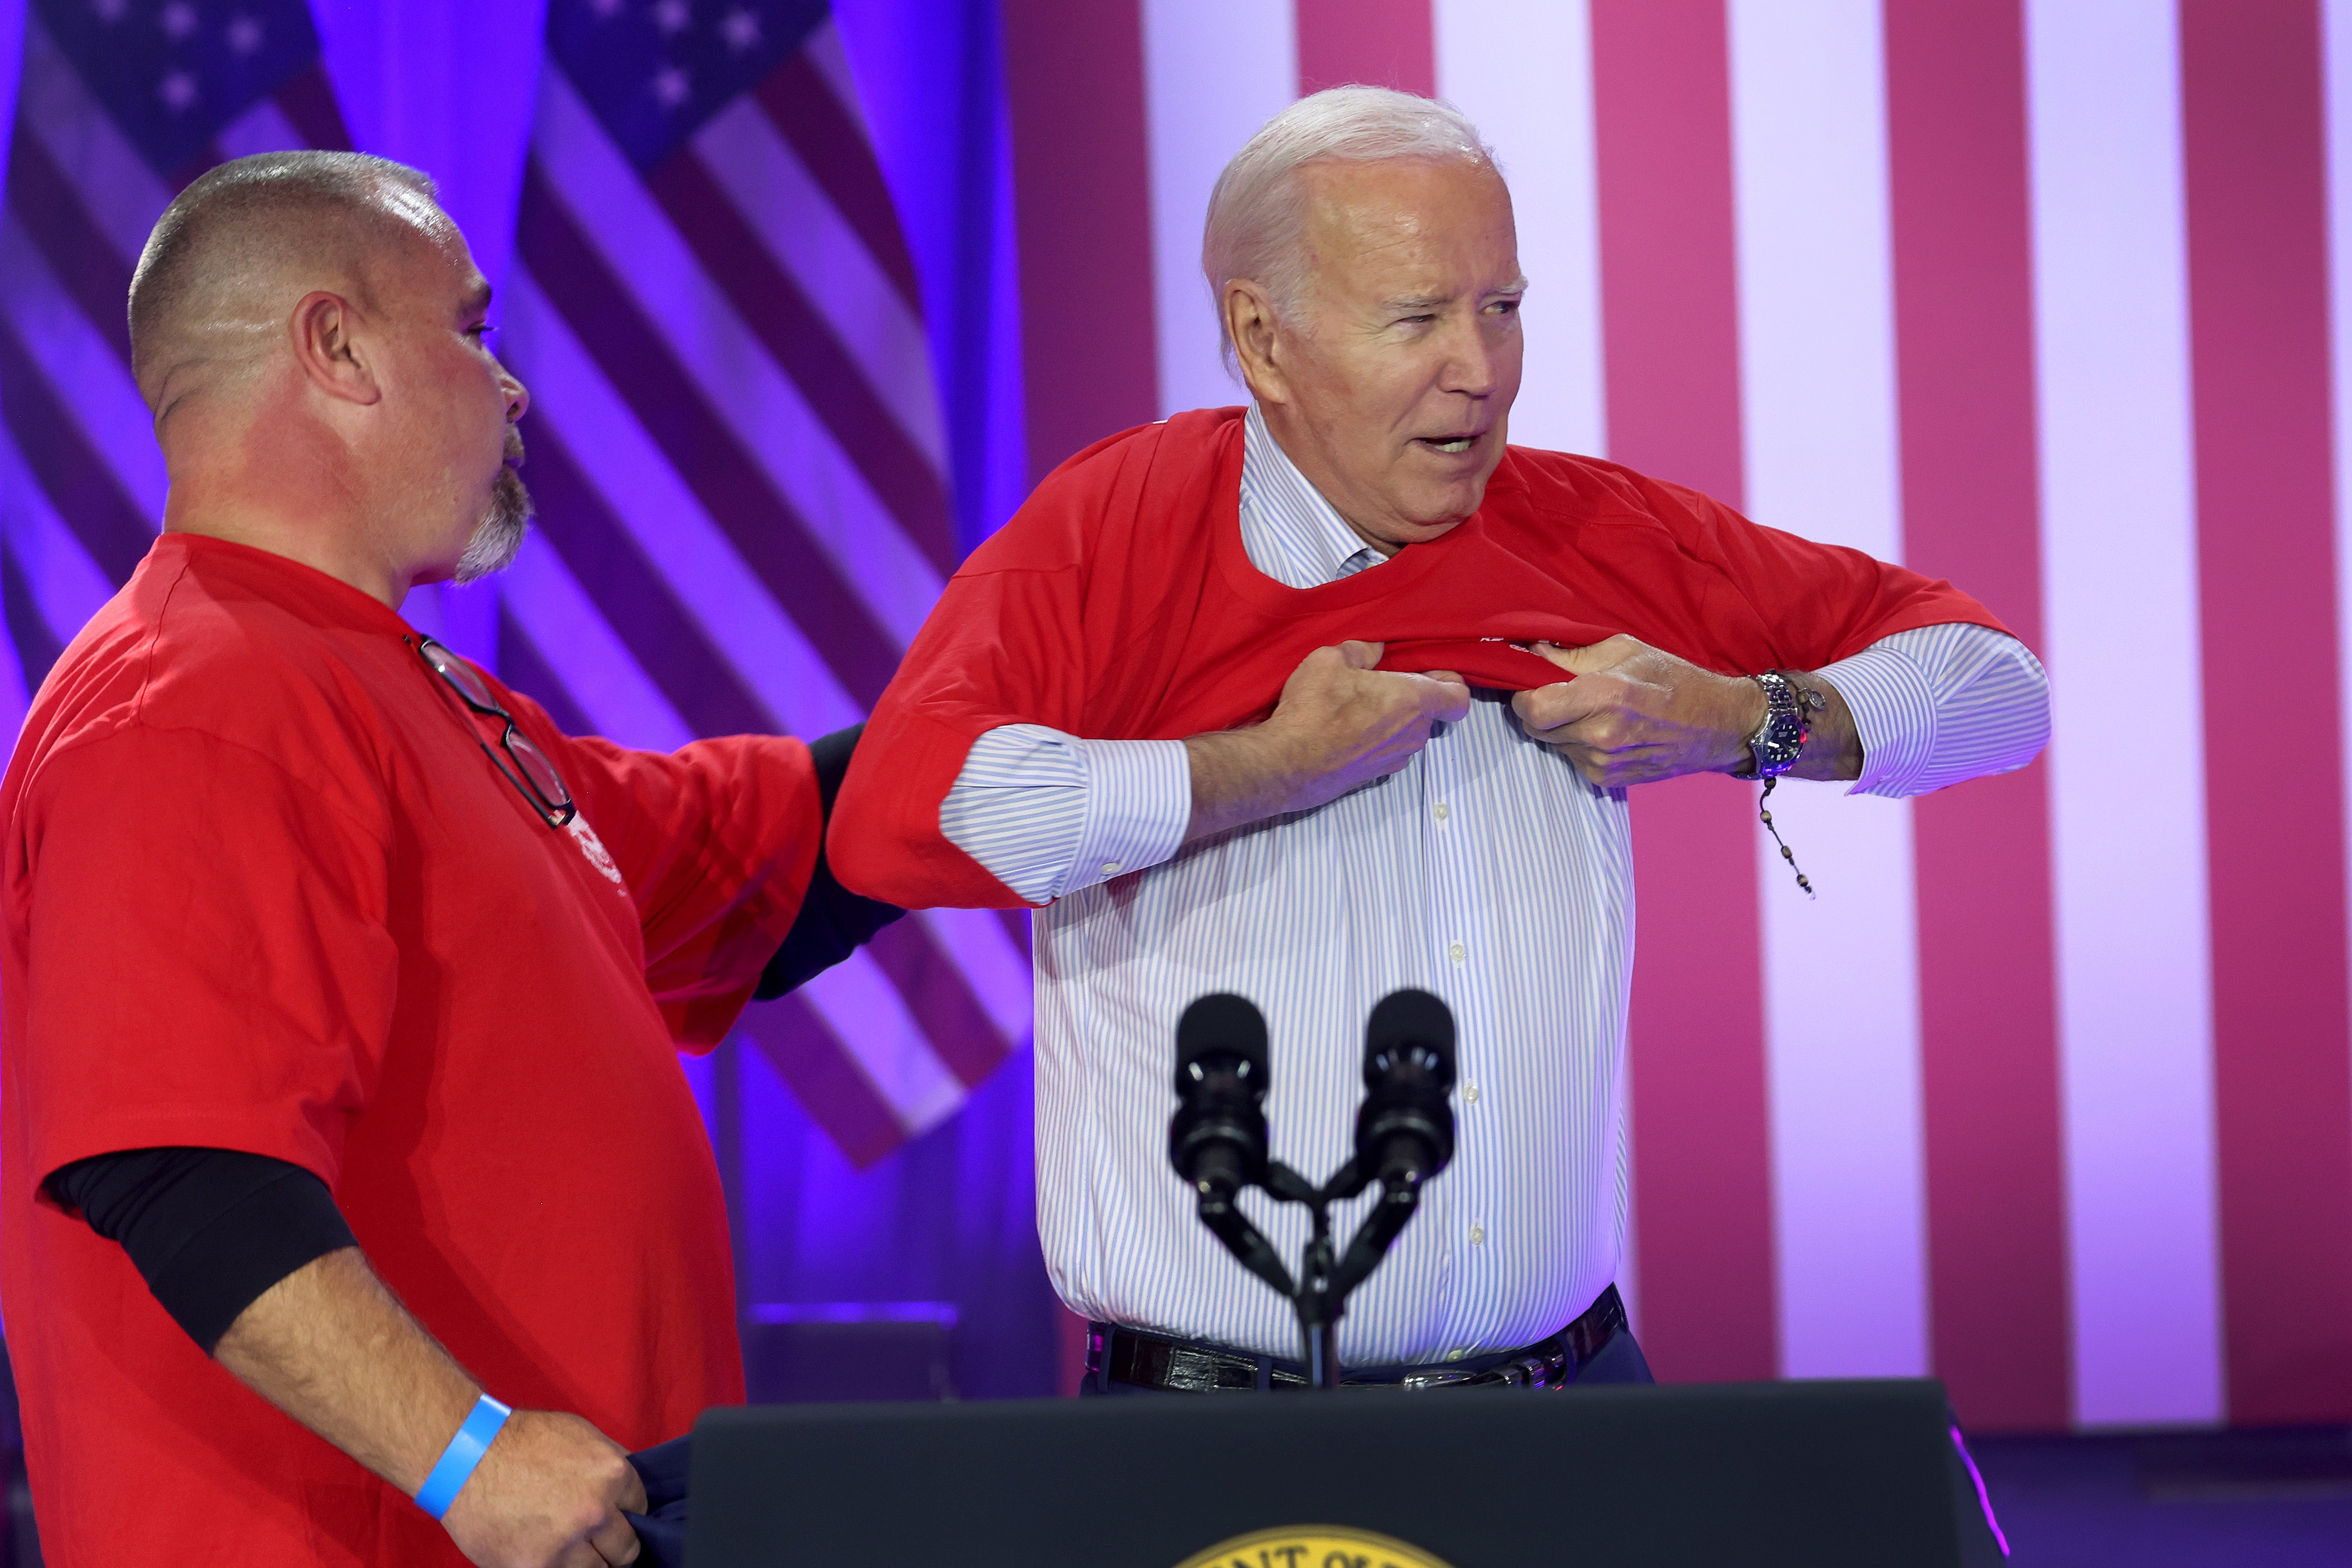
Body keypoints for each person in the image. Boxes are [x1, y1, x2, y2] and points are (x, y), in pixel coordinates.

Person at [831, 88, 2050, 1394]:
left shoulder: (1590, 531)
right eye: (1416, 318)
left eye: (1503, 306)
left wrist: (1737, 719)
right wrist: (1263, 770)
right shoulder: (1122, 533)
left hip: (1570, 1401)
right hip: (1214, 1428)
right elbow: (902, 814)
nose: (1479, 367)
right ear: (1263, 338)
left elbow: (1997, 688)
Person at [0, 152, 897, 1567]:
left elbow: (783, 856)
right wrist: (465, 1452)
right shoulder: (195, 702)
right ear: (336, 347)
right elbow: (175, 1157)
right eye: (473, 332)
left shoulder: (408, 693)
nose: (514, 384)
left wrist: (1096, 716)